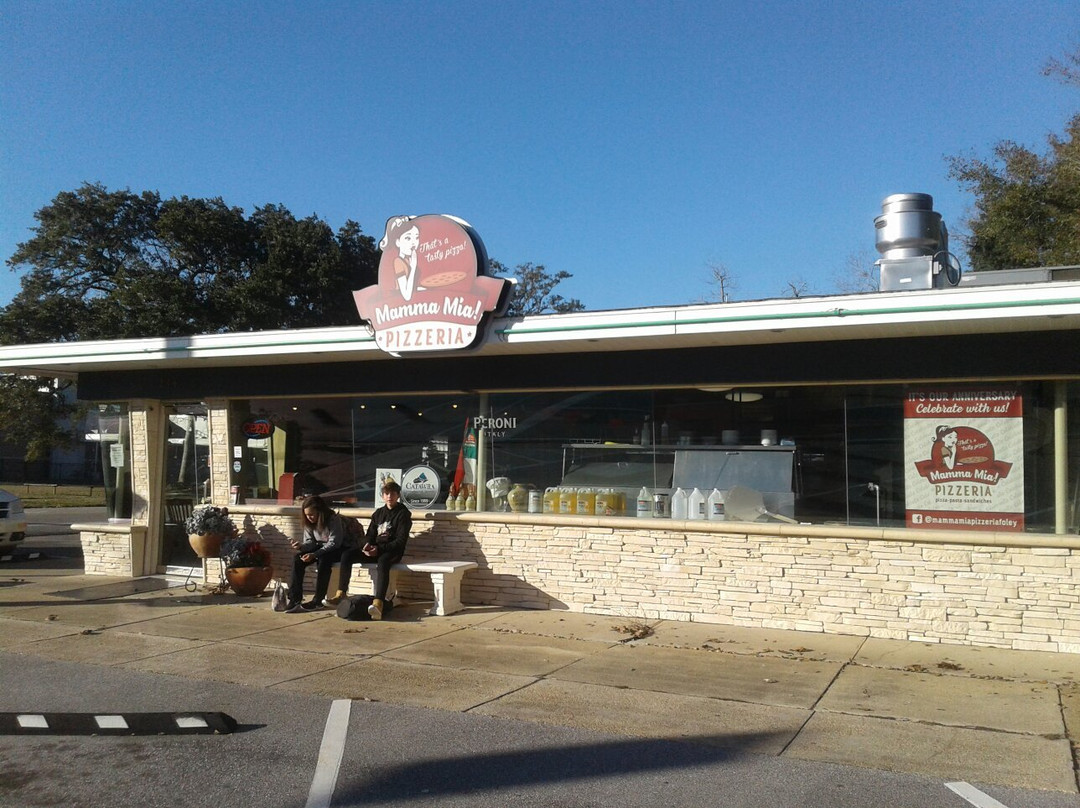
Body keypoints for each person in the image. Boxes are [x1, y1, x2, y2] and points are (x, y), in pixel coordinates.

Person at [285, 495, 359, 612]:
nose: (309, 518)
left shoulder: (333, 519)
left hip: (340, 547)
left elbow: (335, 542)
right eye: (306, 515)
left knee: (324, 560)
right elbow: (310, 542)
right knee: (297, 559)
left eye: (312, 515)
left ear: (320, 512)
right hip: (320, 546)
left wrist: (315, 554)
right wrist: (301, 546)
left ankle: (318, 600)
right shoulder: (309, 522)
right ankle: (294, 598)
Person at [362, 479, 411, 620]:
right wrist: (367, 546)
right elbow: (370, 535)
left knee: (383, 562)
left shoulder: (403, 514)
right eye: (387, 493)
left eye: (393, 494)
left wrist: (379, 549)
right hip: (377, 549)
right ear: (382, 496)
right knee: (348, 555)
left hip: (393, 551)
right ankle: (340, 594)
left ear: (398, 496)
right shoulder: (378, 513)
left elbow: (400, 542)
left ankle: (378, 603)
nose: (390, 496)